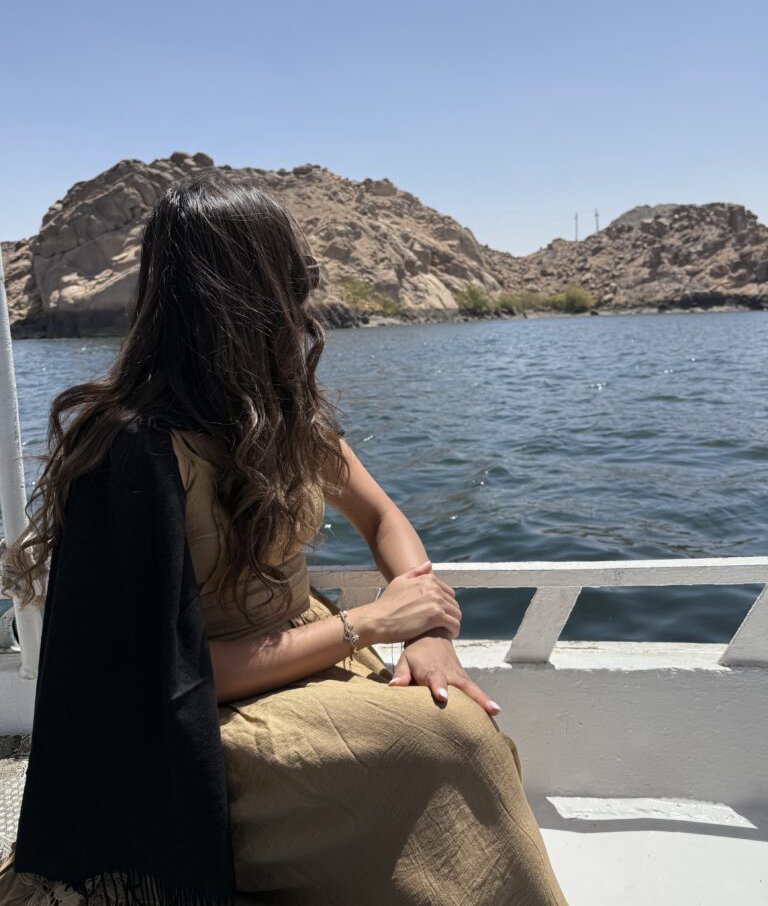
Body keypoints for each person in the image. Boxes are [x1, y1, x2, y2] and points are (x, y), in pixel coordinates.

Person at [0, 173, 568, 906]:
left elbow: (383, 518)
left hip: (312, 646)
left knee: (459, 729)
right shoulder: (132, 451)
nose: (300, 296)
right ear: (240, 293)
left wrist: (429, 634)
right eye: (287, 275)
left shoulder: (281, 416)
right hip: (205, 714)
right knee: (445, 747)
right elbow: (159, 680)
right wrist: (369, 623)